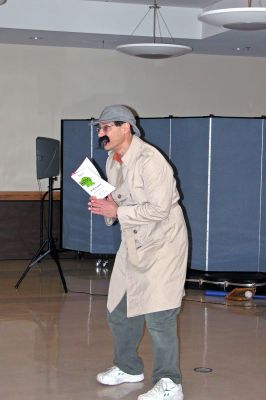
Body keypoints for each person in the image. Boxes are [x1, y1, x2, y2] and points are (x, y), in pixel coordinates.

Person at [88, 105, 188, 400]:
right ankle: (128, 367)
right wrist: (105, 204)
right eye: (99, 128)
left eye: (106, 127)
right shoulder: (112, 161)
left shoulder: (150, 160)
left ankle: (171, 383)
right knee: (117, 309)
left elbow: (159, 209)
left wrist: (116, 209)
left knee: (160, 315)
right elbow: (118, 204)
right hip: (132, 242)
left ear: (126, 127)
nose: (101, 133)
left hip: (163, 243)